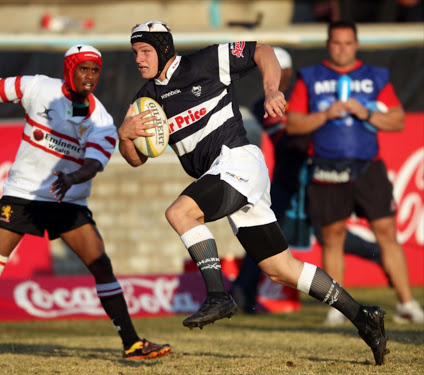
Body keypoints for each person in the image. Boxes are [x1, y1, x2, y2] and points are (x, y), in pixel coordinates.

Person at [118, 20, 389, 365]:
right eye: (134, 53)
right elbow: (136, 159)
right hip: (230, 176)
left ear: (164, 48)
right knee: (280, 268)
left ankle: (218, 295)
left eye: (145, 51)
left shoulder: (203, 62)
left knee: (180, 212)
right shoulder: (145, 100)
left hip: (238, 161)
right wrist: (124, 135)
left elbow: (263, 51)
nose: (139, 59)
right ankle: (364, 317)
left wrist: (273, 89)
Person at [0, 45, 171, 362]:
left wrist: (73, 178)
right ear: (69, 69)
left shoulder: (101, 119)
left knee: (101, 266)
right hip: (23, 196)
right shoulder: (39, 87)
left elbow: (95, 163)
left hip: (66, 200)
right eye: (84, 69)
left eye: (95, 71)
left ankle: (132, 344)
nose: (90, 77)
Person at [286, 20, 424, 325]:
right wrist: (324, 115)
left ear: (356, 44)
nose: (342, 49)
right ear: (328, 44)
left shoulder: (375, 77)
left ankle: (407, 304)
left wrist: (369, 114)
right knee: (333, 237)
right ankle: (339, 309)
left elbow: (398, 120)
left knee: (387, 233)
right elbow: (293, 124)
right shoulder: (310, 77)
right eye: (336, 43)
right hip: (326, 168)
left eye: (348, 43)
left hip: (367, 168)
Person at [232, 47, 384, 322]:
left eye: (277, 71)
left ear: (287, 72)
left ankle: (378, 254)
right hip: (287, 179)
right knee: (265, 234)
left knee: (329, 233)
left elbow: (312, 130)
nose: (272, 76)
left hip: (314, 176)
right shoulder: (262, 103)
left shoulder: (306, 95)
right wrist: (310, 123)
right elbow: (291, 137)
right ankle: (244, 293)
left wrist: (310, 122)